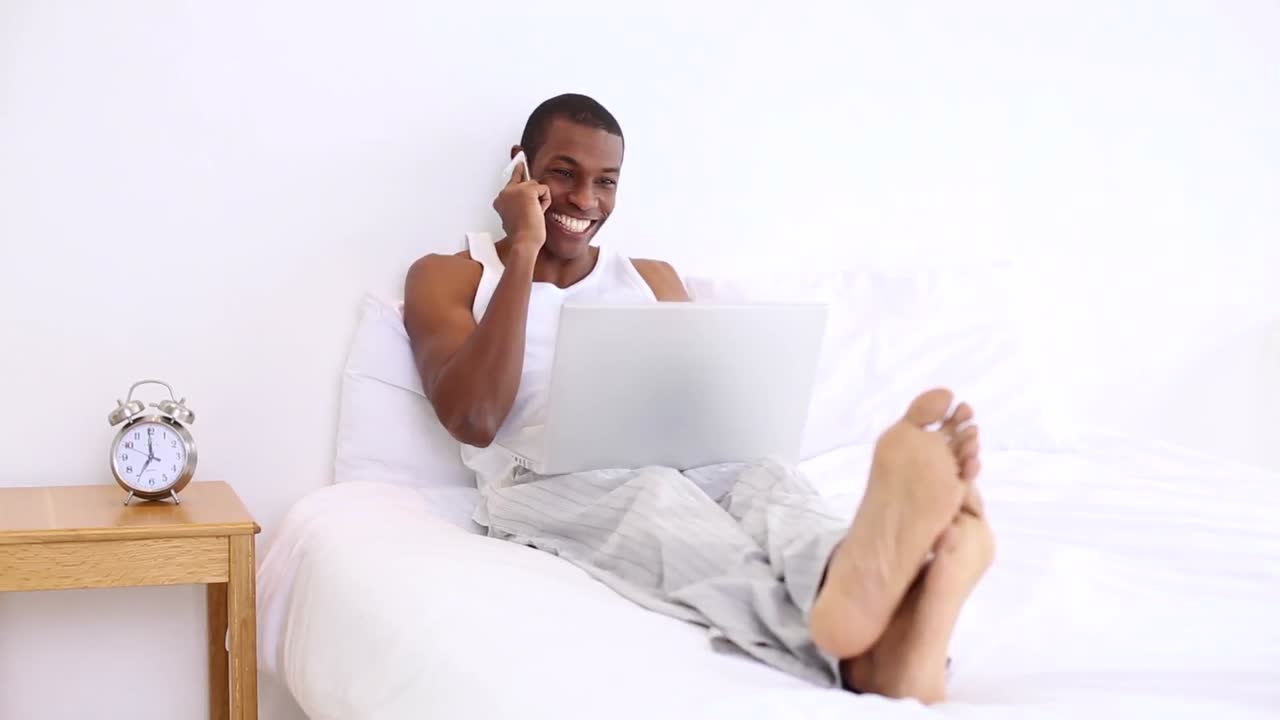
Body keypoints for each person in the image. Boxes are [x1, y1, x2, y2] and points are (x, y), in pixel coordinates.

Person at [403, 93, 994, 702]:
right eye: (563, 173)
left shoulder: (652, 278)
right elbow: (473, 419)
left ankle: (863, 593)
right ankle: (873, 649)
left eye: (606, 182)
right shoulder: (451, 273)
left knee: (766, 480)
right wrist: (523, 247)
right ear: (520, 169)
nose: (586, 200)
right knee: (655, 505)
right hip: (540, 480)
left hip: (680, 461)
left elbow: (698, 410)